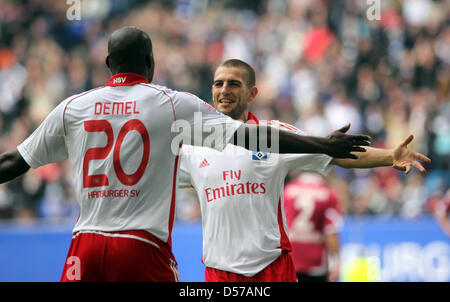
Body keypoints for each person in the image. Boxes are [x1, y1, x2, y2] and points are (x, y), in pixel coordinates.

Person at [0, 27, 370, 282]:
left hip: (85, 243)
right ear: (150, 63)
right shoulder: (170, 104)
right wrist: (323, 144)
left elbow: (13, 162)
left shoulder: (73, 107)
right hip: (142, 247)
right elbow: (248, 137)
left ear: (108, 63)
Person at [177, 59, 431, 282]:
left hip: (273, 270)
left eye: (233, 84)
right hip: (220, 274)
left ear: (252, 93)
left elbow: (336, 154)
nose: (224, 90)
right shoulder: (193, 144)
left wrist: (390, 156)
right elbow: (151, 178)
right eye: (218, 84)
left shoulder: (276, 136)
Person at [284, 172, 342, 282]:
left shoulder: (288, 190)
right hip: (315, 262)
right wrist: (336, 261)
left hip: (291, 258)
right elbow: (330, 232)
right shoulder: (328, 194)